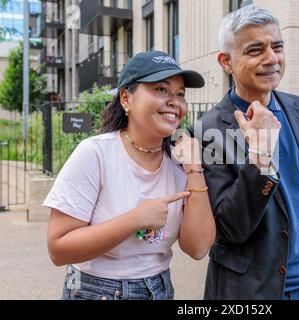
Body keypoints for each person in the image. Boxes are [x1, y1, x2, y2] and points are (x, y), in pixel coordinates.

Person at [189, 5, 299, 300]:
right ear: (226, 61)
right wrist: (260, 154)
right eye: (255, 50)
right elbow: (229, 228)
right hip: (248, 293)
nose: (271, 58)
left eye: (277, 46)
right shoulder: (207, 131)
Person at [44, 51, 215, 300]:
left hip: (158, 290)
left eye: (180, 94)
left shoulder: (180, 163)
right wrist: (135, 219)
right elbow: (58, 249)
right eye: (161, 90)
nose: (174, 102)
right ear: (126, 98)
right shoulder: (96, 154)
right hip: (95, 291)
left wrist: (194, 169)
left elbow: (198, 248)